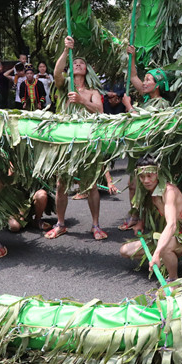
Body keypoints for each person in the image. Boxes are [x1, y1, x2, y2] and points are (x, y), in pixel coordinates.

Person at [47, 36, 106, 240]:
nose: (78, 64)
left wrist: (82, 100)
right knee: (61, 184)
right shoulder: (64, 87)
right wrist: (65, 51)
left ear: (87, 70)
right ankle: (61, 223)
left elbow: (100, 111)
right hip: (65, 141)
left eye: (82, 63)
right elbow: (56, 73)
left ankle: (96, 225)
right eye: (75, 63)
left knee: (90, 185)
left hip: (86, 141)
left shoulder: (92, 92)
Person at [119, 156, 182, 281]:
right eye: (142, 177)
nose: (146, 180)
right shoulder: (147, 190)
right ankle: (167, 258)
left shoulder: (169, 192)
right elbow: (144, 208)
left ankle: (173, 279)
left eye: (150, 176)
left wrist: (157, 253)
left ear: (157, 173)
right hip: (169, 236)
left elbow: (171, 225)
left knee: (164, 246)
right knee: (125, 250)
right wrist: (139, 222)